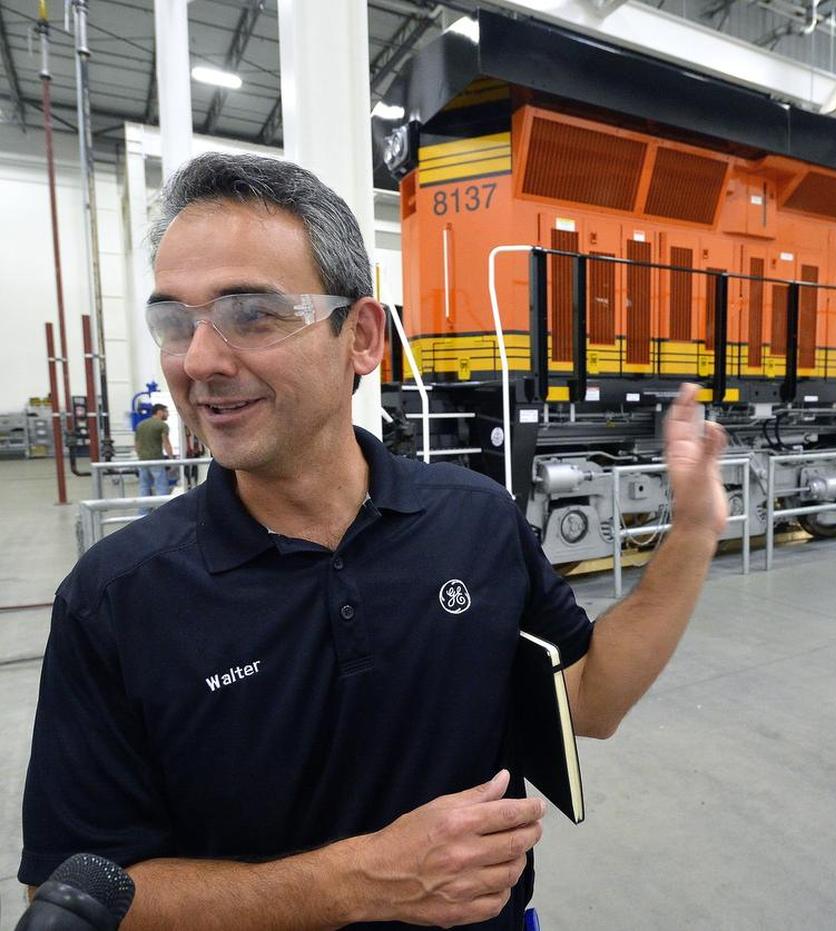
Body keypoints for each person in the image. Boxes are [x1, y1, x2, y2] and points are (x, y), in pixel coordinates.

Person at [20, 153, 728, 930]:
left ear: (361, 336)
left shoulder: (477, 521)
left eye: (251, 313)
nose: (199, 360)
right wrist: (356, 883)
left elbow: (588, 699)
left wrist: (693, 530)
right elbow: (75, 892)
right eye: (174, 322)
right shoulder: (116, 598)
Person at [133, 402, 174, 497]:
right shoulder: (162, 425)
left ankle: (143, 511)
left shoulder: (140, 425)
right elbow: (166, 443)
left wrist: (140, 455)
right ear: (159, 412)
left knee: (144, 486)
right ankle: (163, 510)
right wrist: (171, 459)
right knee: (161, 486)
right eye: (166, 412)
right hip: (156, 459)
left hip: (142, 460)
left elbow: (136, 444)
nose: (168, 414)